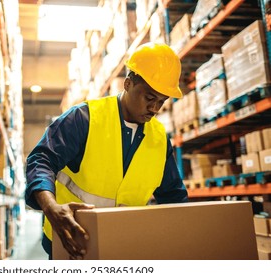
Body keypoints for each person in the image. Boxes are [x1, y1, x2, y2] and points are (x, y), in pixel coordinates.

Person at [25, 42, 188, 260]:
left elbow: (173, 198)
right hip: (71, 240)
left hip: (122, 244)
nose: (155, 109)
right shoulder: (85, 118)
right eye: (150, 98)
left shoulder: (159, 139)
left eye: (162, 101)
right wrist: (51, 207)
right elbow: (41, 159)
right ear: (128, 83)